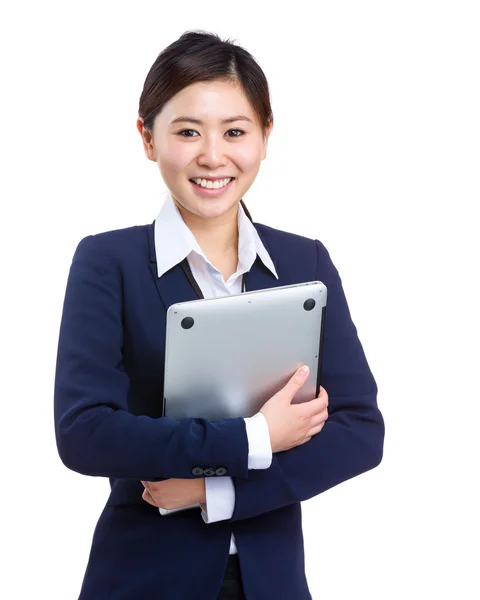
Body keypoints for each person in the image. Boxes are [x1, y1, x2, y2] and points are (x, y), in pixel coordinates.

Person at [54, 29, 385, 600]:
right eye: (187, 131)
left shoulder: (304, 261)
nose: (213, 156)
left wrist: (215, 493)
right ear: (148, 137)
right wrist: (254, 438)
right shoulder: (107, 261)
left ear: (265, 136)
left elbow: (360, 431)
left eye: (235, 131)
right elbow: (85, 433)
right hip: (142, 580)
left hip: (273, 584)